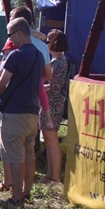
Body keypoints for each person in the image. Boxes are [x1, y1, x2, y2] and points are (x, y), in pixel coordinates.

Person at [0, 18, 44, 207]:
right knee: (29, 155)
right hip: (33, 112)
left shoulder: (15, 55)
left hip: (14, 113)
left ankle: (16, 198)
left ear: (20, 33)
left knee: (14, 155)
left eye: (11, 35)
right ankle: (27, 192)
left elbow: (2, 83)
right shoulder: (39, 55)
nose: (10, 39)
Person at [41, 30, 69, 183]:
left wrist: (38, 87)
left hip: (53, 105)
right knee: (49, 140)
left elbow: (53, 86)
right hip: (52, 104)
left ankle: (55, 176)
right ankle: (50, 174)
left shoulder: (57, 62)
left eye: (49, 40)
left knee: (52, 140)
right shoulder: (59, 60)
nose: (47, 43)